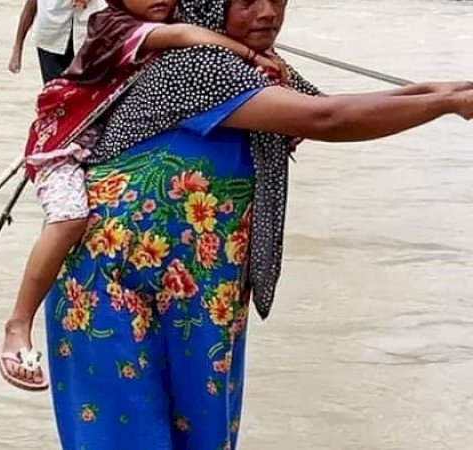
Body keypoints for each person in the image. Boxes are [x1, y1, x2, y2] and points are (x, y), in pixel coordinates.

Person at [40, 0, 473, 448]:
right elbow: (325, 120)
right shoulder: (195, 64)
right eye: (246, 2)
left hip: (198, 285)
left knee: (201, 433)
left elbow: (330, 105)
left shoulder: (262, 68)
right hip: (112, 280)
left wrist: (438, 92)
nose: (267, 12)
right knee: (126, 433)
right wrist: (446, 103)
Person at [0, 0, 288, 391]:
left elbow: (311, 106)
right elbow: (185, 36)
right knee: (68, 218)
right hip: (64, 146)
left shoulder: (180, 30)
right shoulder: (115, 25)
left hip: (103, 138)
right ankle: (18, 324)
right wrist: (250, 51)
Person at [8, 0, 106, 83]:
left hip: (88, 37)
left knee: (87, 95)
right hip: (51, 37)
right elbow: (31, 5)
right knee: (54, 94)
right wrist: (18, 47)